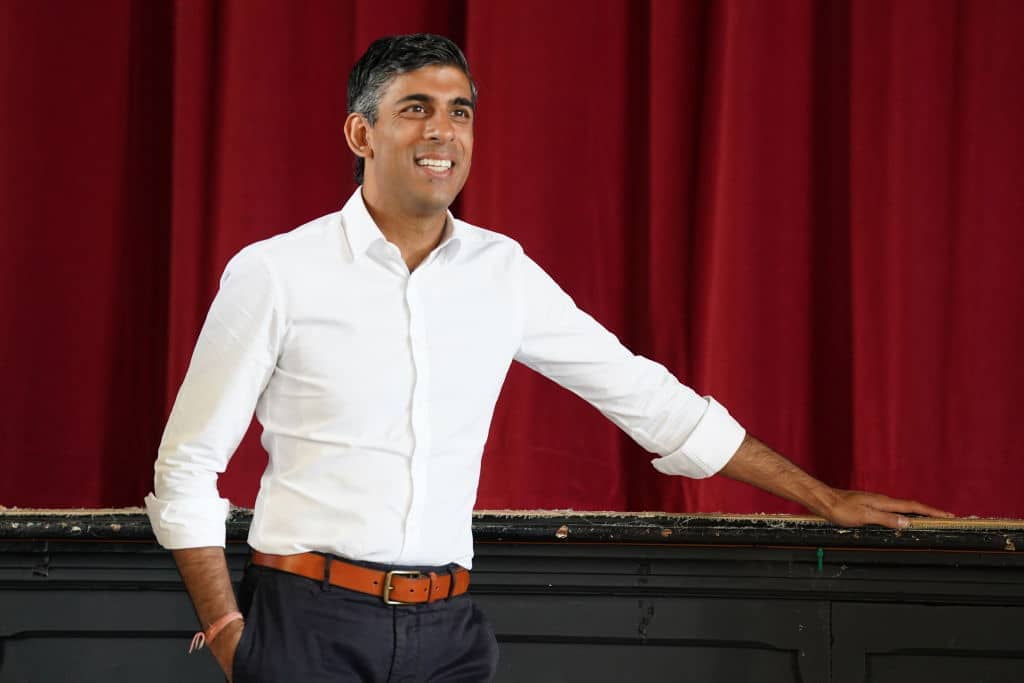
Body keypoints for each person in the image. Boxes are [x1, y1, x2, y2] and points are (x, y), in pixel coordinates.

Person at [145, 33, 951, 682]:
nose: (442, 132)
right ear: (362, 133)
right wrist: (231, 634)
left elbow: (649, 398)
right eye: (415, 109)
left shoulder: (502, 273)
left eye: (460, 112)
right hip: (306, 624)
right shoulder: (277, 272)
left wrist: (823, 497)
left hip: (449, 631)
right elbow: (186, 465)